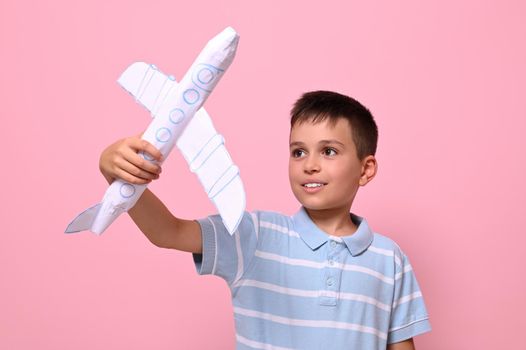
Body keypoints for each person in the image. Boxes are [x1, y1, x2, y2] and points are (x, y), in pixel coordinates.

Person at [99, 90, 431, 349]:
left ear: (365, 169)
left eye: (328, 151)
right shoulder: (254, 236)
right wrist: (118, 177)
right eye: (298, 151)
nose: (309, 164)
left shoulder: (390, 259)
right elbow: (166, 231)